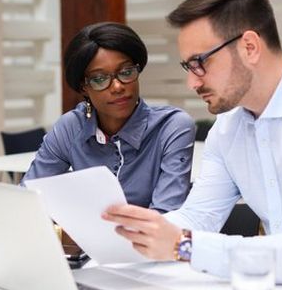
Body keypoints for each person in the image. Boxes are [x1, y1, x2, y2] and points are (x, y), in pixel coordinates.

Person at [103, 0, 282, 286]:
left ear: (250, 47)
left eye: (199, 63)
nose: (192, 83)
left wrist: (183, 245)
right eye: (187, 67)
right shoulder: (229, 128)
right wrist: (126, 232)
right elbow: (198, 218)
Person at [23, 22, 195, 212]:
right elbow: (28, 198)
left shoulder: (171, 127)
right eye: (99, 79)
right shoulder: (71, 127)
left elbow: (166, 214)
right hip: (84, 240)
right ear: (83, 87)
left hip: (153, 240)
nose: (117, 87)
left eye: (126, 72)